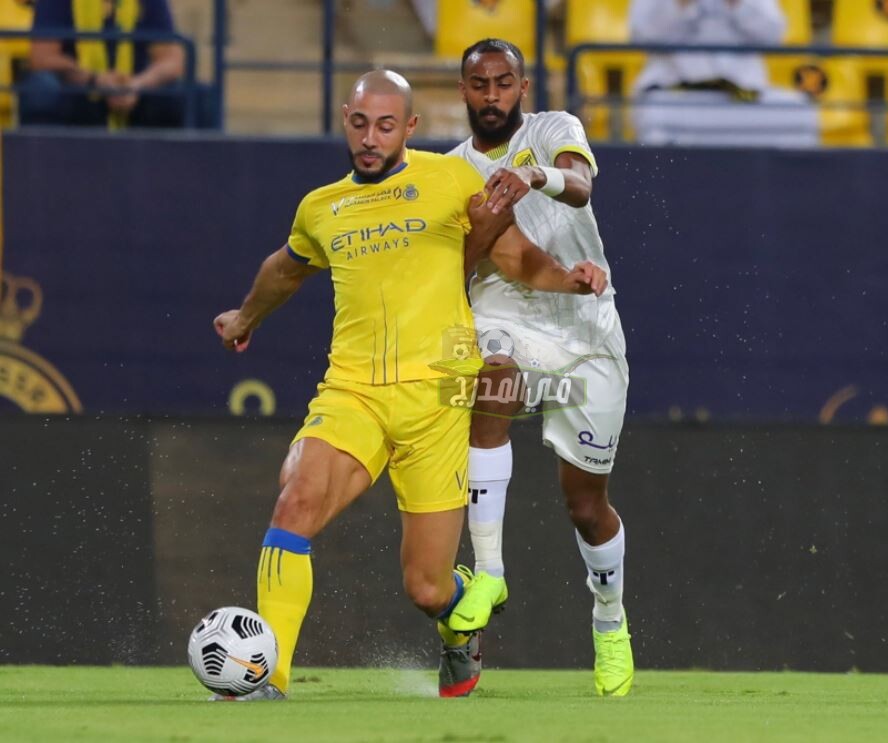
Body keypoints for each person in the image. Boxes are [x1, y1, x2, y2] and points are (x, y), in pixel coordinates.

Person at [211, 69, 607, 701]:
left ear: (411, 127)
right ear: (345, 119)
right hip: (353, 393)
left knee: (425, 587)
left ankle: (457, 622)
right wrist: (244, 317)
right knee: (295, 504)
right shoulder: (322, 205)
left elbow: (511, 254)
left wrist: (570, 279)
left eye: (386, 125)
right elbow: (284, 270)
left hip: (436, 404)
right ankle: (267, 679)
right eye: (361, 123)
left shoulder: (450, 177)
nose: (371, 138)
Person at [444, 38, 633, 697]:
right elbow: (500, 262)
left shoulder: (556, 131)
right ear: (462, 91)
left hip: (586, 322)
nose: (491, 94)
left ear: (522, 88)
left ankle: (609, 620)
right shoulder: (452, 172)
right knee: (492, 376)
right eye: (478, 84)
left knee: (585, 505)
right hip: (508, 311)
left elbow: (577, 188)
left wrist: (533, 177)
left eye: (503, 82)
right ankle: (489, 569)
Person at [628, 0, 819, 147]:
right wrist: (682, 4)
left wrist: (737, 3)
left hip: (743, 96)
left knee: (799, 113)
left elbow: (772, 35)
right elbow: (644, 35)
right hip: (676, 93)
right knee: (656, 116)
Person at [21, 0, 185, 128]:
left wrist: (137, 84)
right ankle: (45, 165)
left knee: (181, 95)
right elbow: (41, 58)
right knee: (42, 87)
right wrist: (96, 80)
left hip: (135, 96)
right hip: (77, 93)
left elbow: (172, 60)